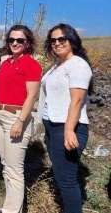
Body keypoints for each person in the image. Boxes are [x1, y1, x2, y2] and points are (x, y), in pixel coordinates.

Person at [39, 24, 93, 213]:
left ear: (72, 40)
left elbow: (77, 100)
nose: (57, 43)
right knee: (63, 176)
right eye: (53, 40)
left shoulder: (78, 64)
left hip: (68, 127)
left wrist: (69, 130)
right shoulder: (57, 66)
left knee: (67, 180)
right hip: (54, 126)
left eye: (62, 39)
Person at [0, 25, 41, 213]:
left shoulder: (31, 64)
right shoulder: (6, 63)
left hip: (16, 117)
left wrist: (20, 121)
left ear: (27, 42)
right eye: (11, 40)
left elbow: (31, 96)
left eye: (19, 40)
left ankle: (13, 210)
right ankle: (10, 207)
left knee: (14, 169)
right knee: (6, 164)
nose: (15, 43)